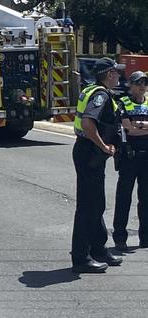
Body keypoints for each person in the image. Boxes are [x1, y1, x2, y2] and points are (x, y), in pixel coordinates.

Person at [71, 57, 125, 273]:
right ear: (109, 74)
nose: (119, 76)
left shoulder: (93, 90)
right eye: (116, 72)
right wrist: (103, 146)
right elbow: (87, 123)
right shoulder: (100, 95)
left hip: (88, 152)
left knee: (97, 204)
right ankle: (81, 258)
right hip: (90, 152)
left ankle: (98, 249)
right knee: (88, 207)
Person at [113, 71, 148, 251]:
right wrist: (142, 127)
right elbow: (128, 130)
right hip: (129, 155)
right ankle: (120, 238)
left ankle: (145, 238)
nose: (142, 86)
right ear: (130, 85)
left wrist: (137, 125)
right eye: (138, 83)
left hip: (146, 157)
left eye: (144, 83)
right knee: (124, 198)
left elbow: (134, 127)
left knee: (146, 199)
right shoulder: (123, 103)